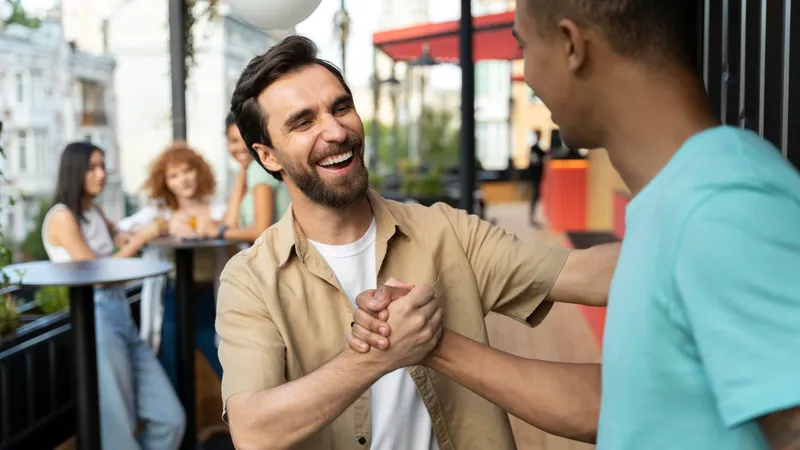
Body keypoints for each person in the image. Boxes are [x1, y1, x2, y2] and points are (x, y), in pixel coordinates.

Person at [350, 1, 800, 449]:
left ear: (571, 45)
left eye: (524, 46)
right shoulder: (678, 200)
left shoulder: (725, 203)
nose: (528, 75)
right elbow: (622, 404)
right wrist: (433, 344)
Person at [215, 35, 618, 450]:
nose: (336, 131)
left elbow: (585, 274)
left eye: (341, 108)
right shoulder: (250, 280)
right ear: (268, 156)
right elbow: (253, 430)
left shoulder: (445, 231)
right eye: (303, 122)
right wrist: (377, 354)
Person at [42, 142, 185, 450]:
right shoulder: (62, 217)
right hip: (95, 317)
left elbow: (122, 238)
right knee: (119, 429)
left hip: (121, 314)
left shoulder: (93, 210)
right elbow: (98, 276)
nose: (102, 174)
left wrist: (146, 232)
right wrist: (142, 238)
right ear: (75, 171)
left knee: (170, 418)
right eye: (93, 167)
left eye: (103, 166)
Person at [119, 141, 228, 376]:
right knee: (170, 365)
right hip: (172, 296)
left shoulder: (217, 209)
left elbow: (236, 233)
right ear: (165, 181)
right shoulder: (162, 213)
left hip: (212, 296)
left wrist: (213, 227)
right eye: (174, 175)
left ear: (200, 171)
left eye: (188, 171)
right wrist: (160, 228)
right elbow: (123, 229)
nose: (184, 179)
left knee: (226, 366)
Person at [205, 113, 291, 242]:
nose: (241, 148)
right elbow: (230, 222)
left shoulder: (259, 168)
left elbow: (262, 231)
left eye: (246, 140)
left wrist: (220, 233)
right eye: (234, 141)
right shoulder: (245, 171)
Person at [528, 130, 547, 226]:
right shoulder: (534, 148)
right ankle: (532, 218)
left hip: (537, 176)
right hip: (535, 176)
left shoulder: (537, 149)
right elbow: (537, 160)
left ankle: (533, 217)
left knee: (536, 197)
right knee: (534, 197)